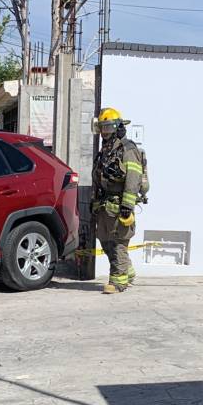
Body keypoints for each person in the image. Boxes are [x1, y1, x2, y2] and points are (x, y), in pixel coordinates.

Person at [91, 107, 146, 294]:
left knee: (118, 243)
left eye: (108, 127)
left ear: (118, 127)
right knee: (106, 241)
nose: (104, 132)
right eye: (102, 128)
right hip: (106, 205)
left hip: (120, 205)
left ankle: (117, 282)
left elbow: (133, 177)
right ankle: (127, 272)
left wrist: (127, 206)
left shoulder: (128, 149)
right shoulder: (106, 150)